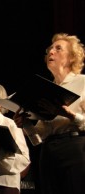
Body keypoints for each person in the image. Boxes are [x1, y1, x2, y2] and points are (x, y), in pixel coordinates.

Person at [13, 33, 85, 194]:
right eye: (50, 49)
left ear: (72, 57)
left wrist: (69, 115)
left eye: (58, 49)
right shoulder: (45, 89)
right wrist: (24, 125)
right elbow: (38, 139)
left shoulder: (83, 82)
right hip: (48, 152)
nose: (51, 52)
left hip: (75, 148)